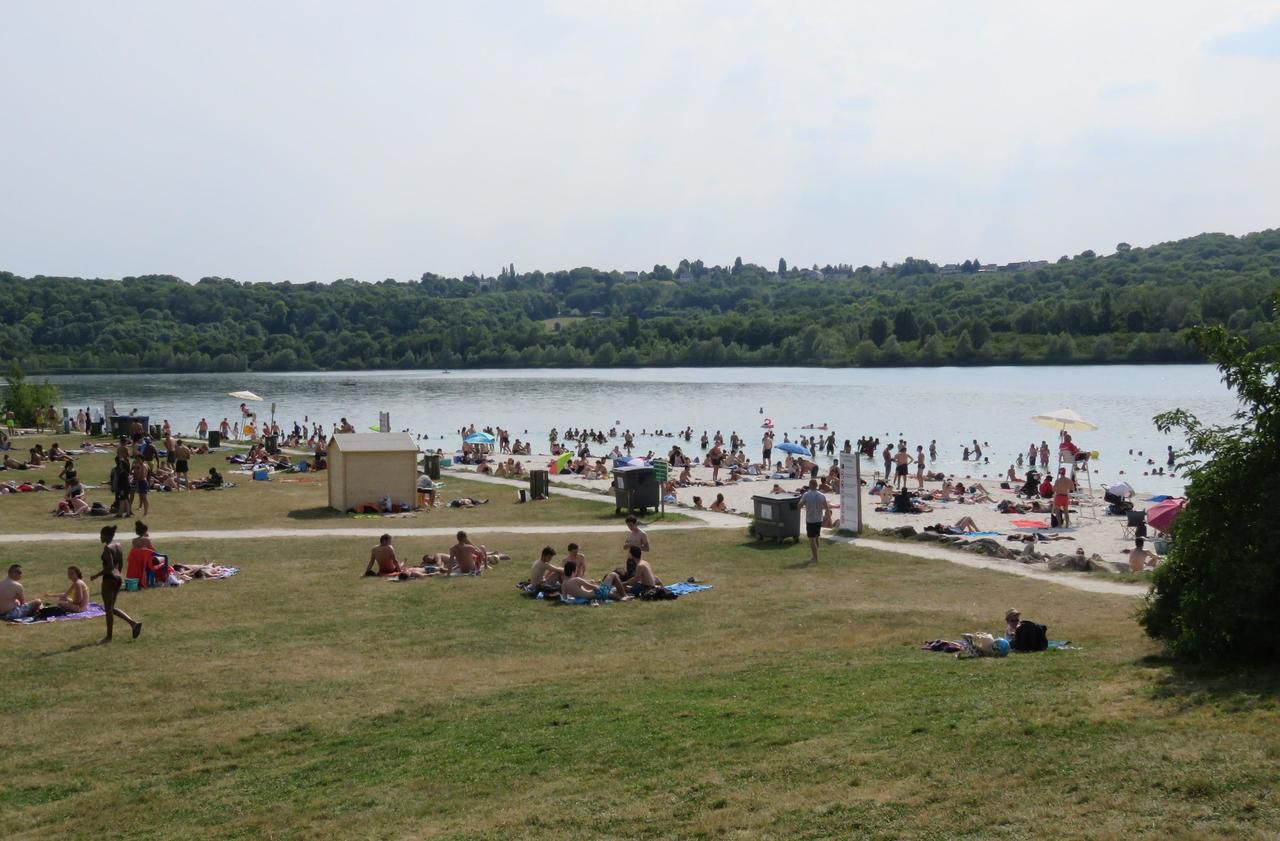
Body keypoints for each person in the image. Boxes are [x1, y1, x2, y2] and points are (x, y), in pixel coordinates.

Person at [89, 525, 142, 641]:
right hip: (118, 578)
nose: (100, 537)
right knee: (110, 608)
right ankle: (133, 624)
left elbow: (110, 567)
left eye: (101, 535)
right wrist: (118, 575)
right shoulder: (118, 545)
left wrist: (96, 576)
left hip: (109, 579)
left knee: (108, 609)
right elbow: (120, 564)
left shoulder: (107, 548)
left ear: (107, 536)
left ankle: (109, 637)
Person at [559, 558, 629, 603]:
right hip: (598, 593)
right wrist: (596, 585)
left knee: (611, 592)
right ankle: (624, 595)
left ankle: (621, 598)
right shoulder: (576, 579)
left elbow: (565, 599)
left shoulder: (563, 584)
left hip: (593, 596)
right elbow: (590, 587)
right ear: (573, 571)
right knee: (613, 574)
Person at [799, 479, 830, 563]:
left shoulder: (806, 494)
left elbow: (800, 505)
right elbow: (827, 507)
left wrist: (798, 505)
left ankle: (815, 558)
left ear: (810, 485)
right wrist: (828, 518)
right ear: (816, 485)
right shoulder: (821, 495)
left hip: (810, 519)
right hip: (819, 519)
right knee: (817, 536)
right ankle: (816, 553)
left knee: (811, 539)